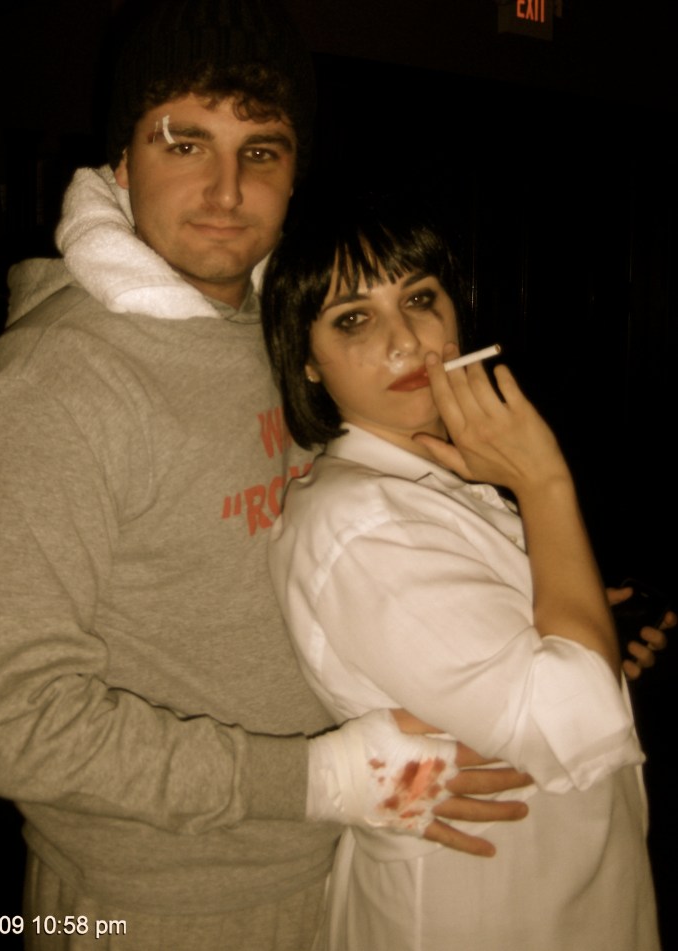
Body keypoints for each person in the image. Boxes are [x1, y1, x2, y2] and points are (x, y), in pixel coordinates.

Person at [0, 3, 541, 949]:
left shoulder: (286, 335)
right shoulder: (50, 388)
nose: (225, 189)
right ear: (122, 163)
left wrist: (540, 613)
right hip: (159, 903)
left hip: (347, 859)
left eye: (261, 150)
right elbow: (9, 721)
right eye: (184, 143)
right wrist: (319, 778)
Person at [261, 195, 664, 950]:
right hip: (475, 907)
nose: (406, 340)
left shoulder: (438, 475)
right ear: (307, 361)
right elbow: (574, 722)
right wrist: (544, 481)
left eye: (419, 299)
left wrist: (596, 634)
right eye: (354, 318)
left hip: (559, 883)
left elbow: (530, 663)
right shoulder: (361, 519)